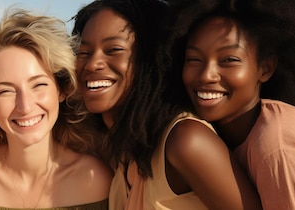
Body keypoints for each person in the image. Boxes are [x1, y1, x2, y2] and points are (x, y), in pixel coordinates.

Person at [169, 0, 295, 209]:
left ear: (265, 68)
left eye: (229, 60)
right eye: (193, 59)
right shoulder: (228, 133)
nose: (207, 75)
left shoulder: (278, 150)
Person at [71, 0, 261, 209]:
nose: (92, 63)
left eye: (114, 49)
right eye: (84, 53)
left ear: (152, 59)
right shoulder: (123, 151)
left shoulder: (186, 141)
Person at [0, 8, 112, 210]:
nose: (25, 106)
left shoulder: (95, 179)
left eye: (39, 85)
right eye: (5, 91)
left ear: (61, 90)